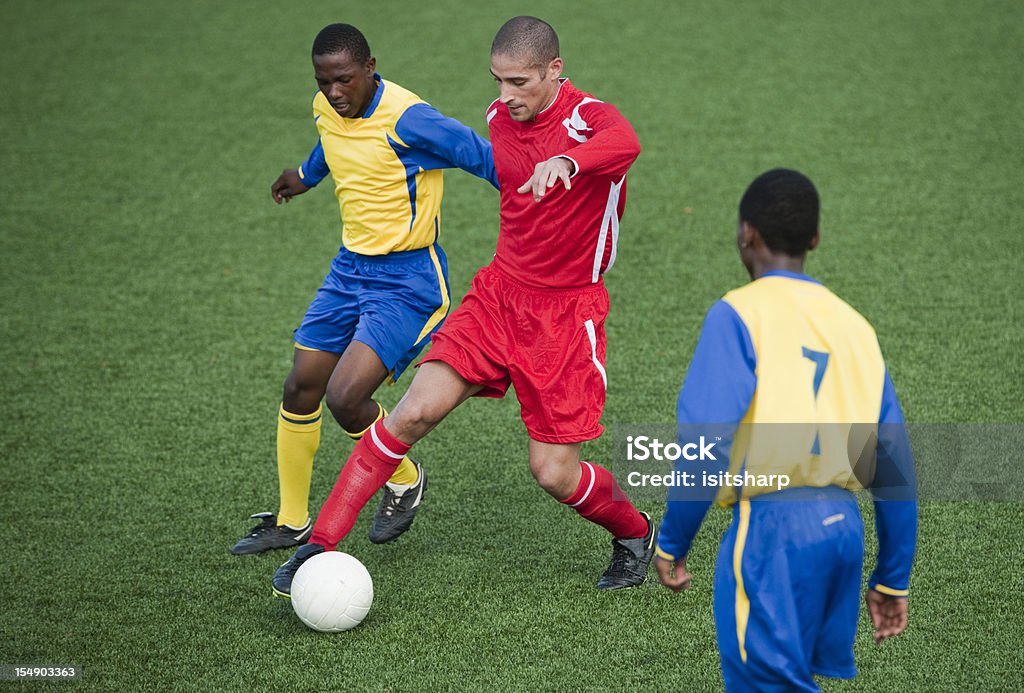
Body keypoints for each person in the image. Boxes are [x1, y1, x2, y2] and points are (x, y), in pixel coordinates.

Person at [272, 15, 656, 595]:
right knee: (412, 413)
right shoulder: (500, 116)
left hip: (564, 315)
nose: (505, 97)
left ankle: (635, 531)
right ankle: (319, 543)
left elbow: (625, 142)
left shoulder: (586, 119)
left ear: (555, 71)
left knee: (552, 472)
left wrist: (569, 162)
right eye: (498, 81)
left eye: (521, 82)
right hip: (498, 297)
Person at [231, 23, 498, 555]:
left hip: (409, 281)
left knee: (346, 397)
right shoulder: (327, 106)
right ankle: (291, 520)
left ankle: (403, 479)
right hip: (349, 271)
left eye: (345, 80)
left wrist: (544, 198)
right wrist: (305, 175)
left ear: (370, 67)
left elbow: (485, 158)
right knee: (300, 386)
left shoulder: (410, 120)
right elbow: (332, 140)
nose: (334, 92)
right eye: (324, 81)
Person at [655, 169, 918, 691]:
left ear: (746, 233)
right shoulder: (854, 325)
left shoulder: (737, 313)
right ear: (814, 240)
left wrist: (673, 539)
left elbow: (707, 443)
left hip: (774, 532)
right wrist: (892, 577)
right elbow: (892, 468)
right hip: (843, 533)